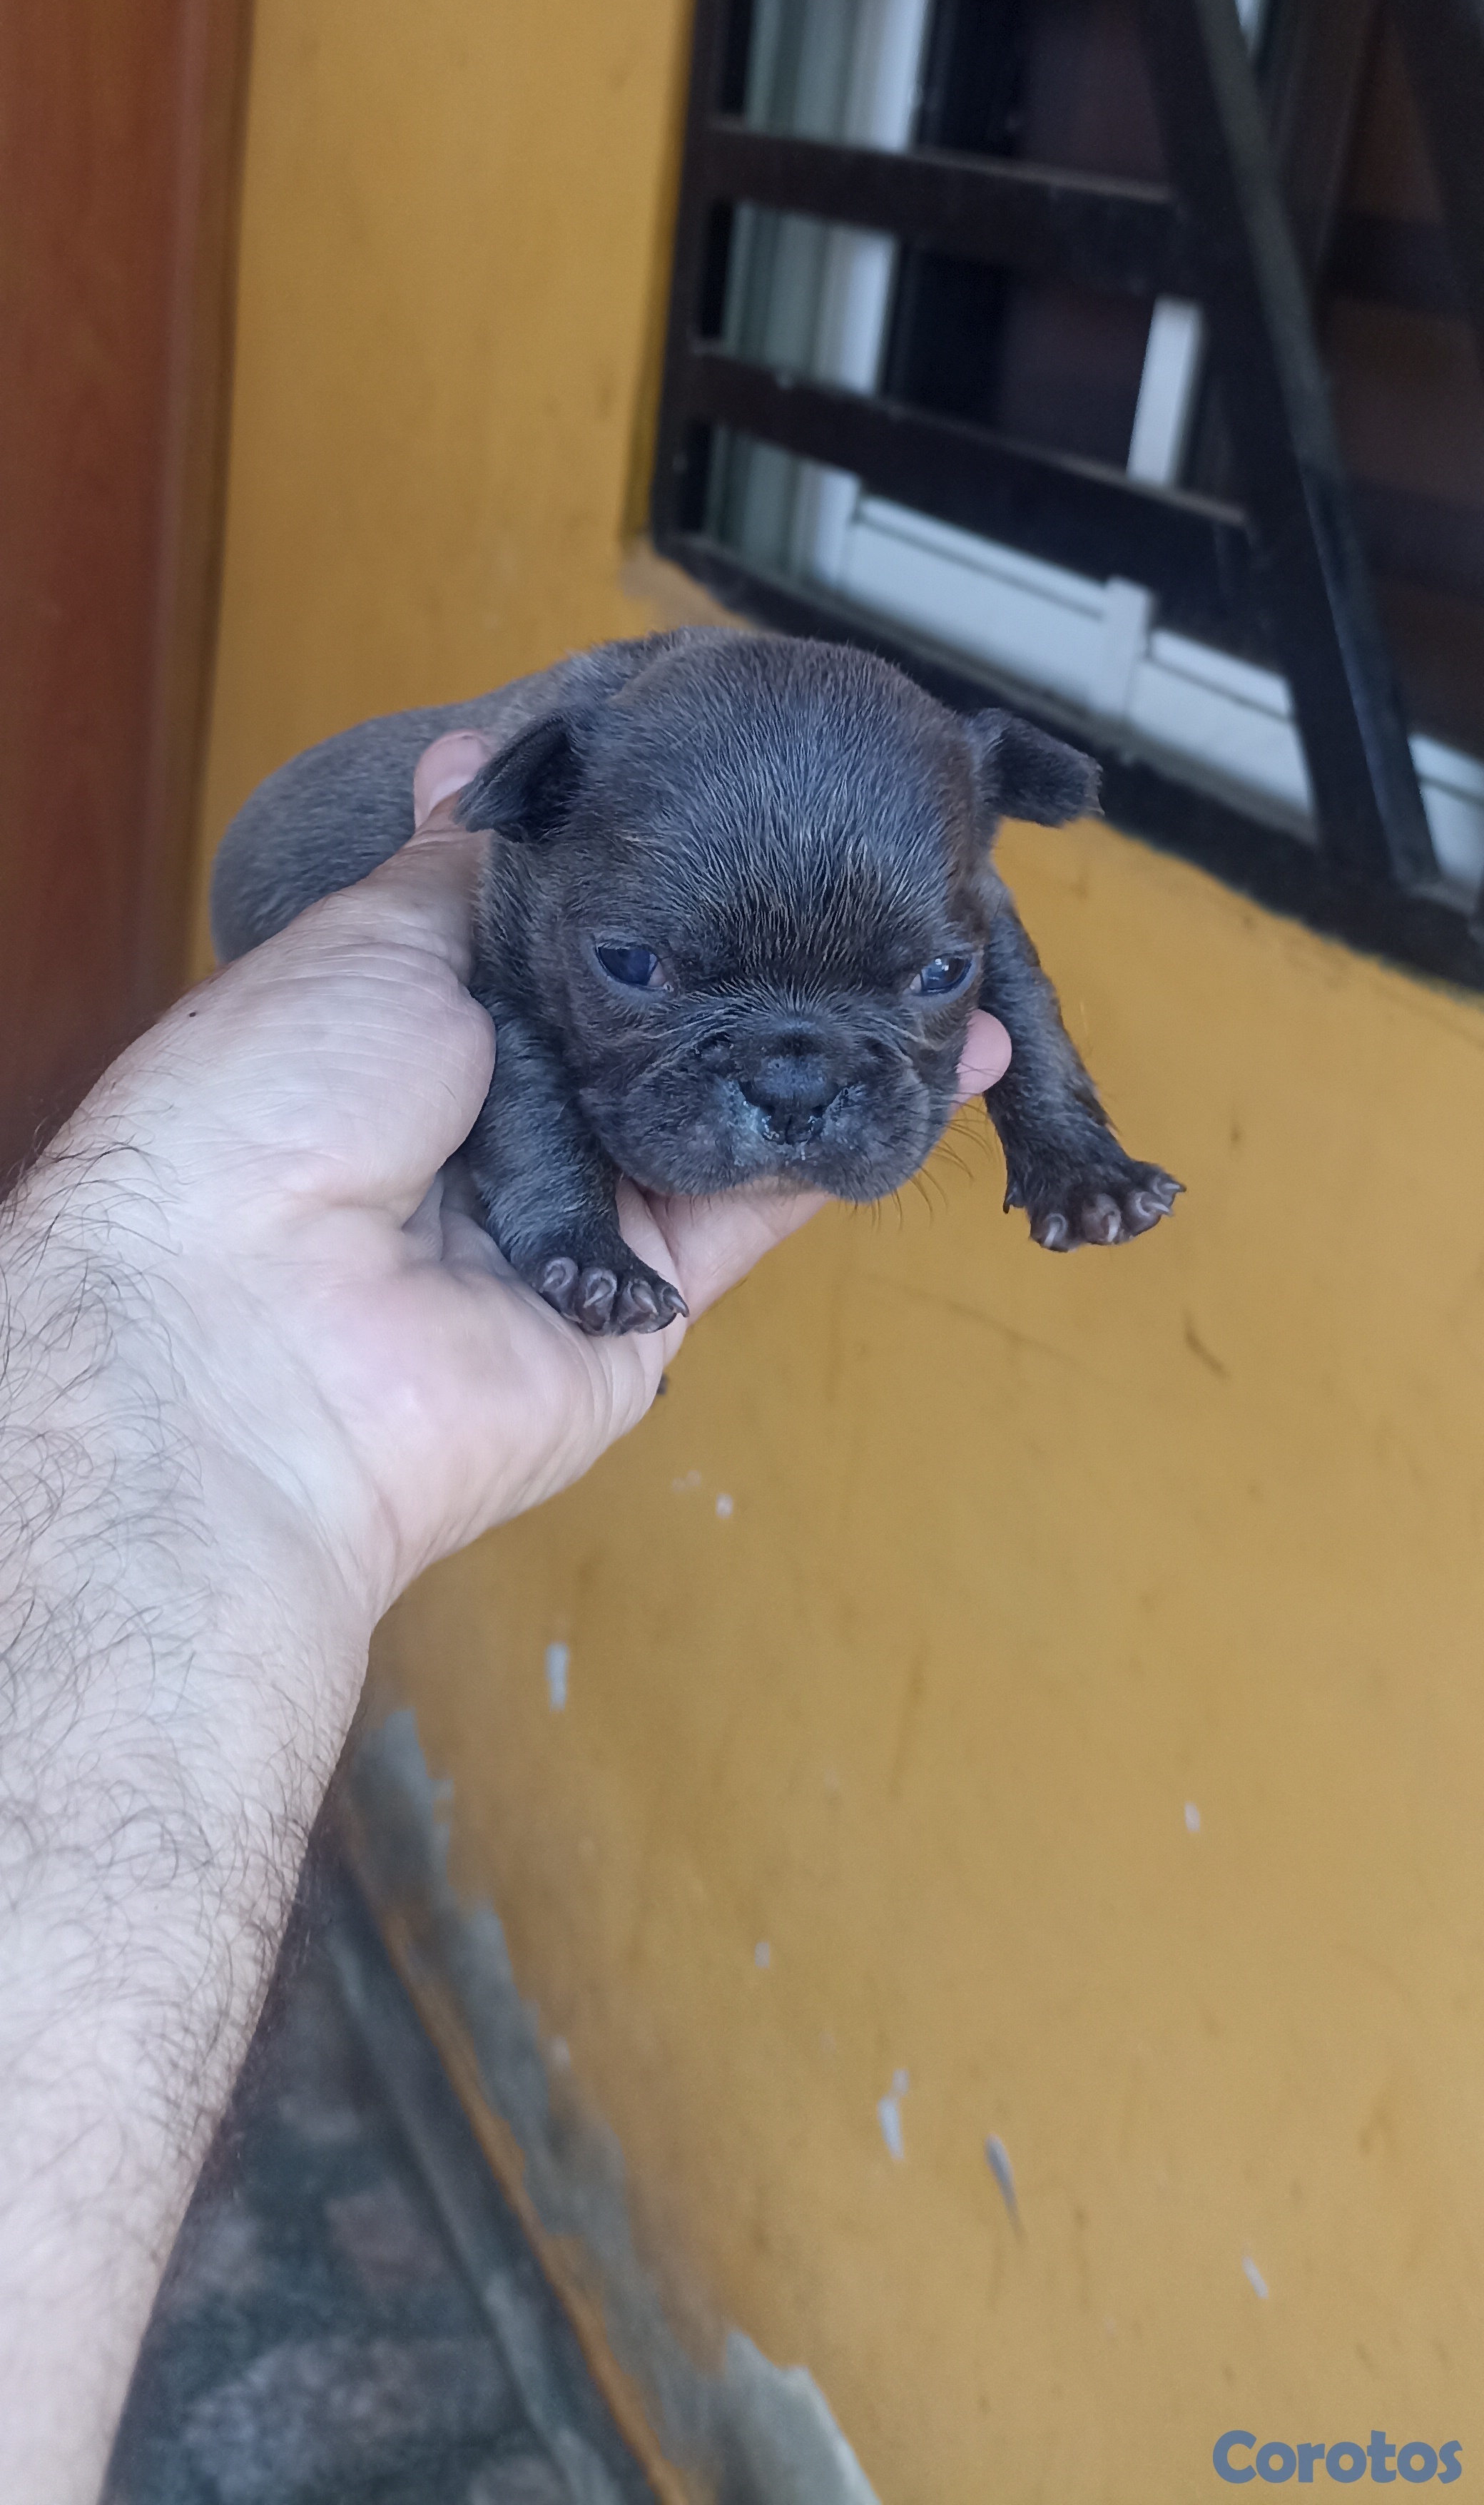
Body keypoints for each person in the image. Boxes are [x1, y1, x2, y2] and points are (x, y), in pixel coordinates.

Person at [0, 729, 1012, 2504]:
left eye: (926, 981)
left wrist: (164, 1377)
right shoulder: (496, 848)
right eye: (642, 965)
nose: (788, 1072)